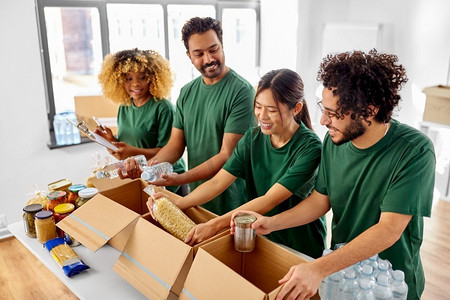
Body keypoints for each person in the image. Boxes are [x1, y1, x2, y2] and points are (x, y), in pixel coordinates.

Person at [231, 50, 435, 300]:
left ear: (369, 111)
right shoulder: (333, 141)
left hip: (389, 283)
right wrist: (271, 222)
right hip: (342, 273)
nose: (323, 120)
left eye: (334, 113)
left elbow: (389, 229)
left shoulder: (414, 150)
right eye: (323, 108)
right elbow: (320, 200)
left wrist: (318, 268)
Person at [152, 69, 326, 258]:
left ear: (296, 108)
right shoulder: (251, 139)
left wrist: (214, 225)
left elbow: (269, 200)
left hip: (299, 245)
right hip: (261, 236)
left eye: (272, 110)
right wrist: (178, 204)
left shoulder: (310, 148)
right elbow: (217, 182)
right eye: (258, 106)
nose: (262, 116)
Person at [126, 17, 255, 215]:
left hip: (233, 203)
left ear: (222, 45)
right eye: (199, 54)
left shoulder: (241, 91)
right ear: (189, 56)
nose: (209, 59)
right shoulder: (187, 92)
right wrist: (148, 167)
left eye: (214, 50)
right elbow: (175, 146)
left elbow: (227, 155)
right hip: (198, 198)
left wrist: (181, 178)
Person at [96, 48, 186, 194]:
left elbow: (170, 151)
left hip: (166, 180)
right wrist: (112, 141)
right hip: (141, 177)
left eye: (142, 77)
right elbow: (130, 143)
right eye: (129, 78)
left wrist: (131, 152)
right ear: (120, 81)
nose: (136, 84)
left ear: (152, 78)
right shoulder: (124, 107)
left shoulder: (164, 108)